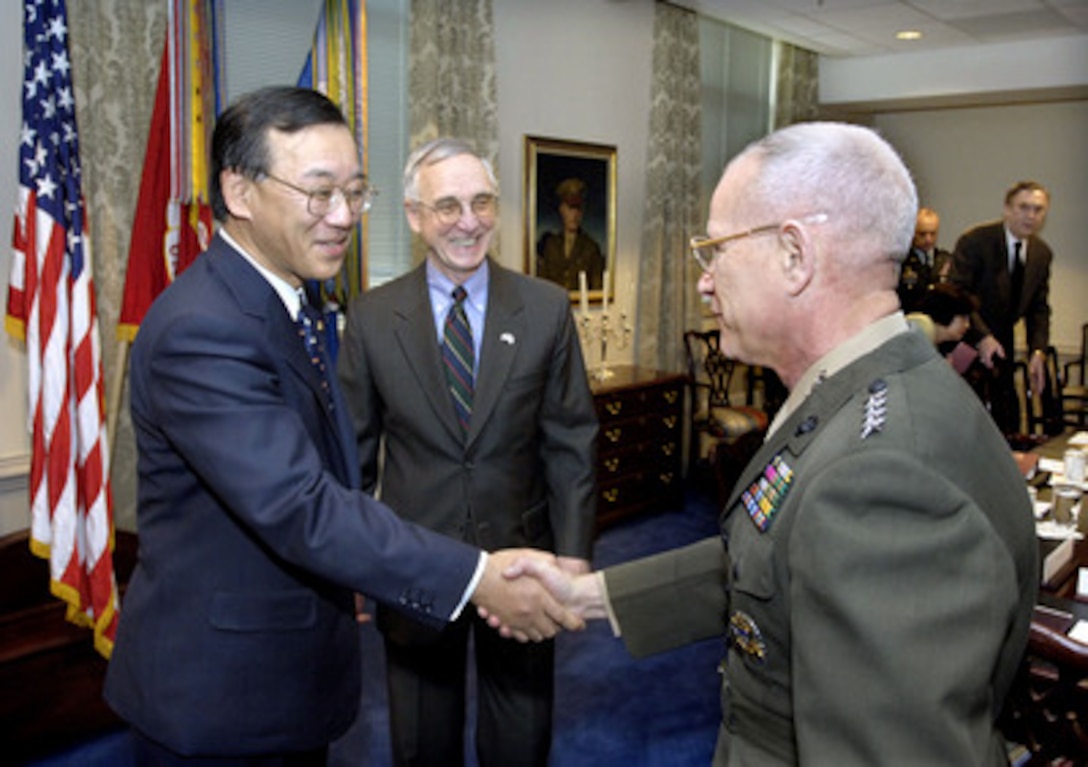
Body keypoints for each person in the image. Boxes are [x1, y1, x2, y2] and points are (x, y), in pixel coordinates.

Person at [493, 122, 1039, 765]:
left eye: (716, 249)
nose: (703, 280)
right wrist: (589, 595)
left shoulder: (881, 473)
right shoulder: (867, 388)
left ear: (793, 255)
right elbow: (779, 559)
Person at [103, 88, 581, 765]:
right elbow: (301, 504)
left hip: (282, 676)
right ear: (239, 191)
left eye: (356, 193)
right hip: (221, 701)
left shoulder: (287, 300)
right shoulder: (203, 328)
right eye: (319, 192)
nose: (343, 216)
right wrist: (478, 575)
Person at [337, 138, 598, 767]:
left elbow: (571, 441)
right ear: (415, 216)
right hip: (415, 562)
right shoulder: (371, 317)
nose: (468, 221)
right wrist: (347, 563)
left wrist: (573, 557)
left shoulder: (544, 308)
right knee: (422, 739)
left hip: (524, 560)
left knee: (521, 734)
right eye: (447, 206)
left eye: (481, 202)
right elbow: (353, 450)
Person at [950, 180, 1053, 435]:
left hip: (1003, 347)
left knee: (1007, 423)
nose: (1031, 216)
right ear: (1007, 209)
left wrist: (1037, 351)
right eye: (1024, 207)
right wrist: (982, 336)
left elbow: (1039, 308)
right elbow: (958, 294)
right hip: (966, 342)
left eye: (1038, 209)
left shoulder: (1041, 254)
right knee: (967, 426)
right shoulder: (975, 242)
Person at [535, 176, 605, 290]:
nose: (575, 215)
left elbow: (597, 288)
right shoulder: (551, 245)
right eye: (570, 208)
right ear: (562, 209)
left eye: (578, 209)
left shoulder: (591, 248)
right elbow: (542, 284)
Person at [897, 206, 952, 312]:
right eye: (922, 234)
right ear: (912, 233)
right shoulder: (902, 261)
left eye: (933, 234)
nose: (928, 239)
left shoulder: (945, 260)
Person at [906, 282, 975, 356]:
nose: (967, 325)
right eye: (963, 318)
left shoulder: (932, 340)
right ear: (948, 312)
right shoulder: (921, 326)